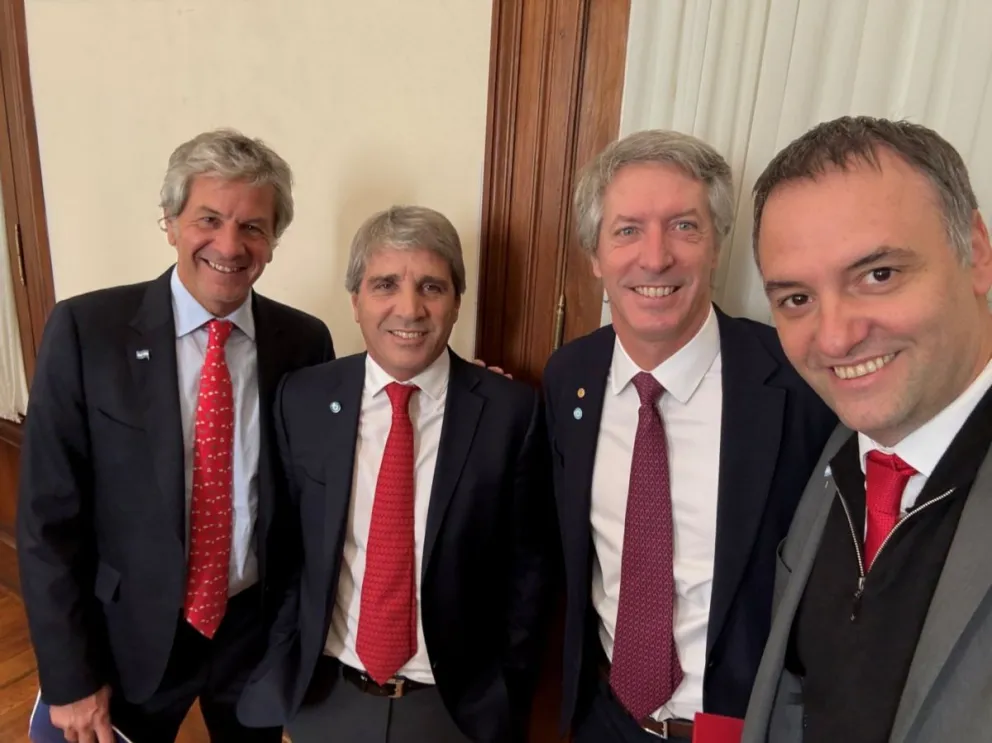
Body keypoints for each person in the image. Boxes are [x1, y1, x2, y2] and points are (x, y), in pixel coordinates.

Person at [17, 129, 335, 743]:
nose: (229, 245)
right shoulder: (87, 331)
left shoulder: (304, 342)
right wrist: (70, 677)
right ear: (169, 222)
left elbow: (328, 470)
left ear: (273, 241)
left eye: (252, 227)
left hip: (251, 637)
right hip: (125, 635)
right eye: (208, 219)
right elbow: (45, 522)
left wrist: (456, 385)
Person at [542, 130, 837, 742]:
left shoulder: (799, 383)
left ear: (717, 245)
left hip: (743, 729)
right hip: (604, 720)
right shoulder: (569, 377)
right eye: (627, 230)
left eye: (683, 226)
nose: (655, 258)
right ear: (594, 255)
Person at [236, 205, 556, 743]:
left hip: (454, 708)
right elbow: (285, 550)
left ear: (457, 301)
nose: (409, 308)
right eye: (385, 284)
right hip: (325, 694)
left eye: (432, 287)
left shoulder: (512, 413)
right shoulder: (304, 399)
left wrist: (506, 687)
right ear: (355, 300)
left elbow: (529, 572)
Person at [741, 116, 992, 743]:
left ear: (976, 253)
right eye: (797, 299)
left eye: (878, 275)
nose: (834, 338)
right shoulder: (840, 451)